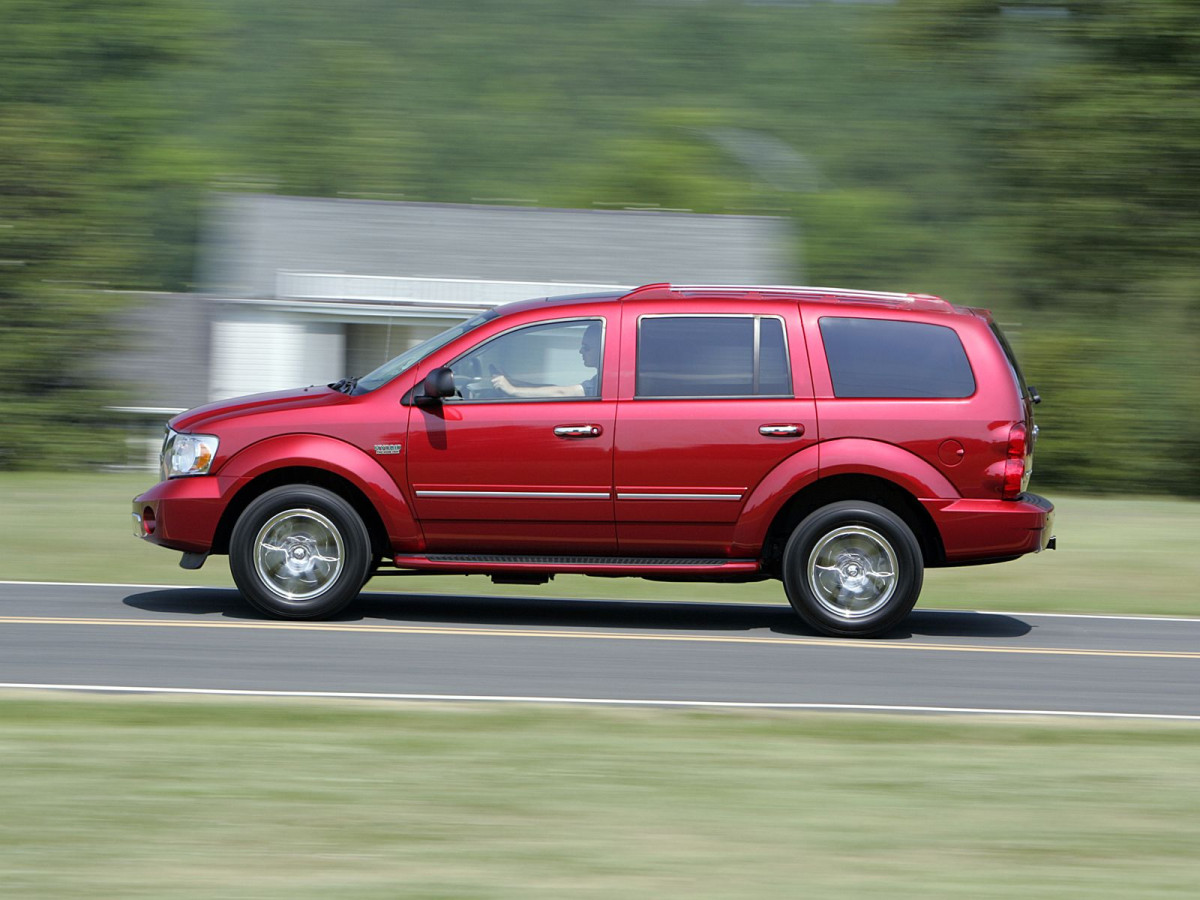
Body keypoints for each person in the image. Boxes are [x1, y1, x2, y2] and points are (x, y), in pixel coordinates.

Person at [490, 322, 601, 398]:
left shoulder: (608, 381)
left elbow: (562, 393)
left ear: (602, 349)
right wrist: (514, 382)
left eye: (587, 347)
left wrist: (512, 390)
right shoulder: (601, 380)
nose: (581, 351)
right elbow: (557, 389)